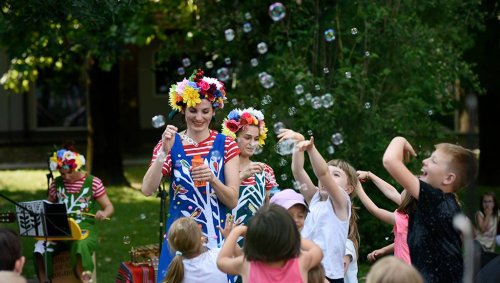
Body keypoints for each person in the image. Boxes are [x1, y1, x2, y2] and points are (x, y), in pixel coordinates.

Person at [141, 68, 240, 282]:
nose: (199, 117)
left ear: (214, 112)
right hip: (181, 240)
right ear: (183, 110)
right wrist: (163, 153)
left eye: (205, 111)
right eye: (193, 111)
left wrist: (213, 179)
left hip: (217, 237)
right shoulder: (170, 143)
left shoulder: (227, 144)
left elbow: (232, 200)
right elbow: (147, 189)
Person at [383, 137, 478, 283]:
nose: (424, 160)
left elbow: (390, 161)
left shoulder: (436, 199)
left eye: (433, 160)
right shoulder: (444, 204)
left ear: (448, 179)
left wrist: (400, 140)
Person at [278, 129, 356, 283]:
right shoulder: (314, 198)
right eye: (330, 172)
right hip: (304, 271)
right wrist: (299, 142)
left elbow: (323, 174)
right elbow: (297, 170)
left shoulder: (342, 203)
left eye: (337, 175)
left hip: (329, 275)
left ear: (348, 189)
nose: (329, 178)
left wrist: (311, 149)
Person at [34, 143, 114, 283]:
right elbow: (47, 208)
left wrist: (104, 213)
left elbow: (109, 206)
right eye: (62, 173)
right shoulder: (56, 184)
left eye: (69, 172)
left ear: (78, 167)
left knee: (80, 245)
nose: (66, 177)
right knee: (40, 247)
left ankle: (84, 278)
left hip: (83, 228)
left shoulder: (93, 182)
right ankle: (44, 279)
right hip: (60, 229)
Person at [216, 204, 323, 283]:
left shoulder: (247, 265)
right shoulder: (301, 262)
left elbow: (221, 261)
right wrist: (292, 236)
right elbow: (317, 251)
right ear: (291, 237)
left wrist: (236, 231)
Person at [221, 107, 279, 228]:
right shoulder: (220, 168)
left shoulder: (265, 170)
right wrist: (241, 176)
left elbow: (272, 208)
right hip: (223, 238)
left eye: (256, 139)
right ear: (233, 137)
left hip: (255, 239)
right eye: (247, 138)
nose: (252, 143)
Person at [355, 170, 416, 264]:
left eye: (405, 189)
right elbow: (391, 192)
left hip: (404, 272)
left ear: (409, 199)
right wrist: (369, 175)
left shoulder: (403, 220)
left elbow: (374, 210)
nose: (401, 190)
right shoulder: (419, 216)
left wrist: (357, 187)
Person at [270, 189, 328, 283]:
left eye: (300, 216)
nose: (296, 220)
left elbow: (318, 277)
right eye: (289, 215)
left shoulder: (303, 248)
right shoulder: (266, 246)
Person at [162, 217, 228, 283]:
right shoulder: (218, 256)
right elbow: (238, 259)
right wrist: (229, 236)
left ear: (173, 246)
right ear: (201, 237)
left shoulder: (177, 271)